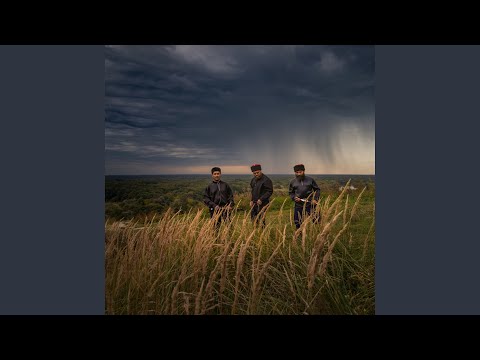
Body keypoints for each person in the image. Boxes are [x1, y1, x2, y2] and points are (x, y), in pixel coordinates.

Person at [288, 164, 321, 229]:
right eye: (297, 172)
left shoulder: (310, 180)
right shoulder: (292, 182)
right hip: (299, 204)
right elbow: (291, 193)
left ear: (304, 171)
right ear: (295, 172)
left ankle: (316, 234)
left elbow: (317, 189)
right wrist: (294, 198)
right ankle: (299, 236)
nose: (299, 174)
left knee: (316, 221)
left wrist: (315, 199)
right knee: (298, 222)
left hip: (311, 203)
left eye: (300, 172)